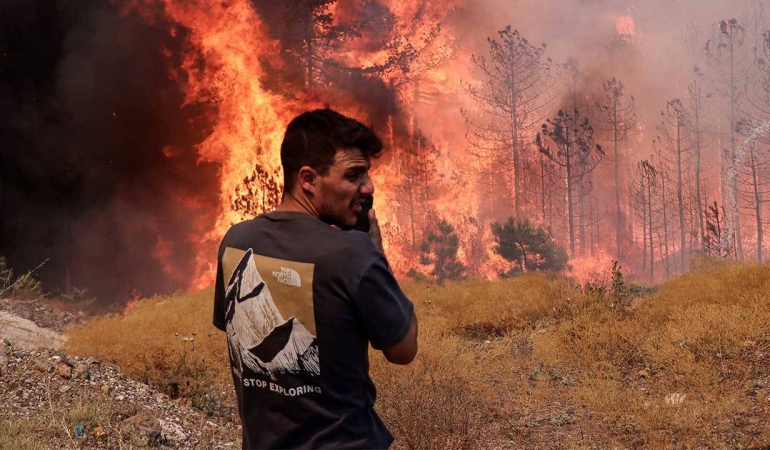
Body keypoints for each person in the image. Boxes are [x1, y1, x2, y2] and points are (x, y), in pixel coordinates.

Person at [213, 108, 418, 449]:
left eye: (366, 173)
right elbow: (404, 350)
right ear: (307, 179)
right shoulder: (351, 253)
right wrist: (376, 253)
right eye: (354, 175)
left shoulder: (236, 242)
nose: (368, 186)